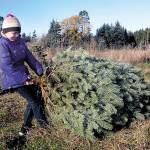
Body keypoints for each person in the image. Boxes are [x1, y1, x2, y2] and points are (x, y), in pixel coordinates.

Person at [0, 14, 49, 136]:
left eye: (17, 32)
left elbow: (29, 57)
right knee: (35, 102)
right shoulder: (2, 44)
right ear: (5, 32)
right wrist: (23, 79)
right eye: (13, 33)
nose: (15, 35)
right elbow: (6, 66)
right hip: (12, 79)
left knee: (35, 98)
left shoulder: (20, 42)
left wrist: (39, 70)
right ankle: (46, 128)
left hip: (23, 76)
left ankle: (25, 128)